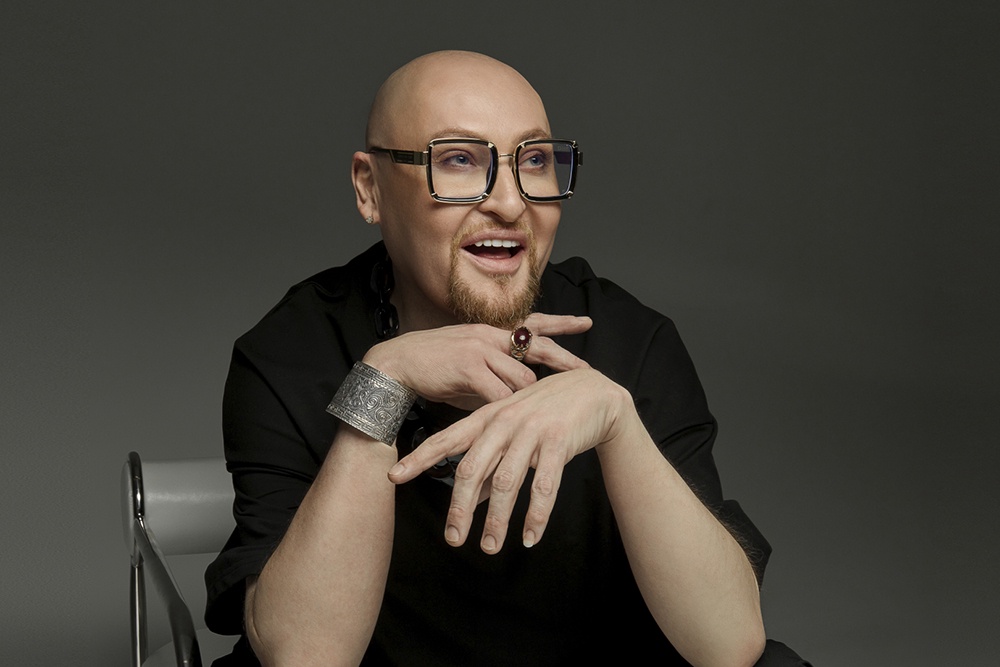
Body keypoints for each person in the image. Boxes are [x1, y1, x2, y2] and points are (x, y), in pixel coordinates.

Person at [205, 50, 809, 667]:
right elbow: (307, 656)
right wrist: (384, 381)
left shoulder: (629, 338)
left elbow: (729, 645)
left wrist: (617, 421)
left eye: (535, 161)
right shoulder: (291, 352)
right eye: (459, 160)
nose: (511, 204)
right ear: (370, 188)